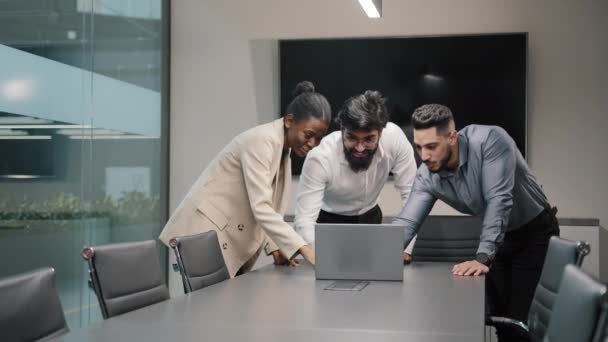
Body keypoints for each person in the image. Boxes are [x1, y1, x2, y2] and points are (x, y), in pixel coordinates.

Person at [392, 104, 559, 342]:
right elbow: (406, 221)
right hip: (497, 238)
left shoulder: (491, 140)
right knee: (502, 321)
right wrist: (378, 256)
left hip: (534, 232)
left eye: (431, 146)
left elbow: (498, 200)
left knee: (521, 322)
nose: (424, 156)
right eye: (418, 147)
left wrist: (483, 257)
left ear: (452, 137)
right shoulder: (427, 174)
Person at [159, 81, 331, 278]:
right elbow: (261, 206)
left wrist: (275, 246)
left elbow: (271, 206)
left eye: (318, 138)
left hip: (224, 237)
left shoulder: (283, 149)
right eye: (309, 135)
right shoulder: (262, 141)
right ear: (289, 121)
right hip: (204, 236)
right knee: (210, 306)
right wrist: (303, 248)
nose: (313, 144)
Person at [294, 90, 418, 261]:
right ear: (342, 130)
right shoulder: (320, 158)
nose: (359, 148)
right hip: (329, 222)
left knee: (375, 279)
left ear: (381, 133)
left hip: (370, 217)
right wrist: (322, 257)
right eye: (351, 138)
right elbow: (304, 220)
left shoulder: (395, 139)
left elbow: (412, 195)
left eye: (368, 139)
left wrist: (404, 246)